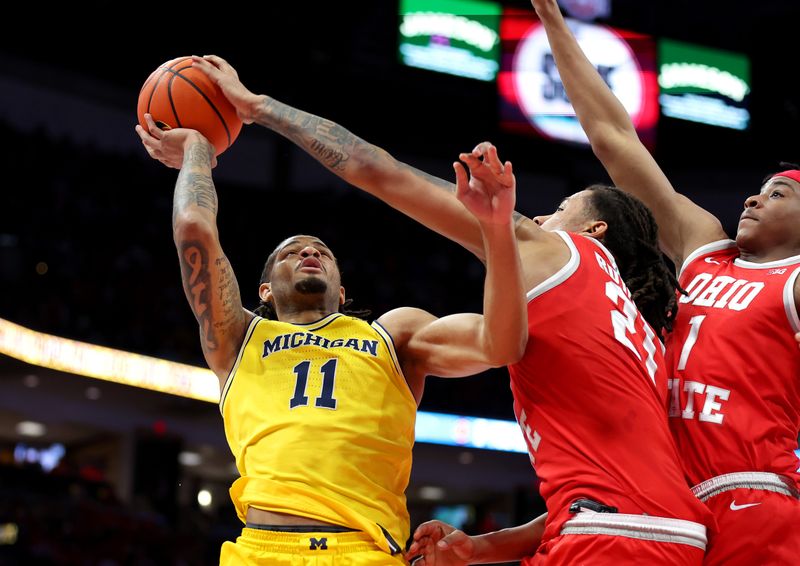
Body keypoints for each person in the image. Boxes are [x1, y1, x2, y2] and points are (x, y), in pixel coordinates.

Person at [189, 54, 715, 564]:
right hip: (666, 530)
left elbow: (382, 172)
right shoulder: (643, 336)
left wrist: (259, 107)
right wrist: (484, 548)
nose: (539, 218)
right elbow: (608, 491)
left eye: (559, 209)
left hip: (603, 538)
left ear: (594, 230)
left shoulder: (554, 251)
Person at [134, 114, 529, 565]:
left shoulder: (393, 335)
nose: (309, 251)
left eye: (322, 252)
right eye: (291, 252)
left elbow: (501, 344)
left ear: (341, 293)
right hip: (262, 551)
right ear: (264, 291)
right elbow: (193, 229)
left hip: (365, 551)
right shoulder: (238, 336)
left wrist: (497, 230)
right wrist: (197, 150)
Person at [521, 1, 800, 564]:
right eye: (757, 189)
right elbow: (612, 137)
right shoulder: (705, 251)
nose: (753, 199)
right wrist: (551, 18)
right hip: (667, 506)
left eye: (778, 193)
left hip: (751, 493)